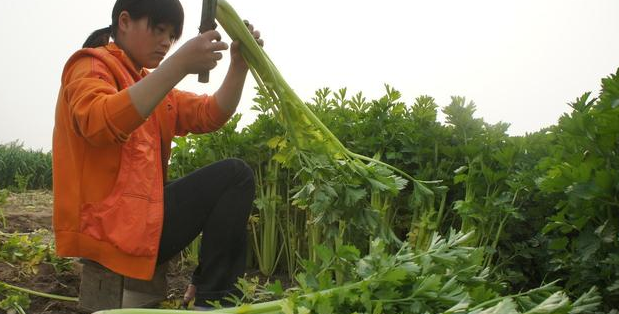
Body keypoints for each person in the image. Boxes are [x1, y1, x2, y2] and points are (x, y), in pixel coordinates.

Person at [52, 0, 262, 309]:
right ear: (124, 21)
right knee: (235, 176)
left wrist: (239, 66)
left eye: (172, 35)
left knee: (234, 177)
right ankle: (214, 302)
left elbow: (211, 112)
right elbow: (99, 123)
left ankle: (211, 292)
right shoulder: (91, 65)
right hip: (106, 228)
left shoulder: (147, 84)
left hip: (139, 226)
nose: (166, 42)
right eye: (159, 30)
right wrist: (178, 65)